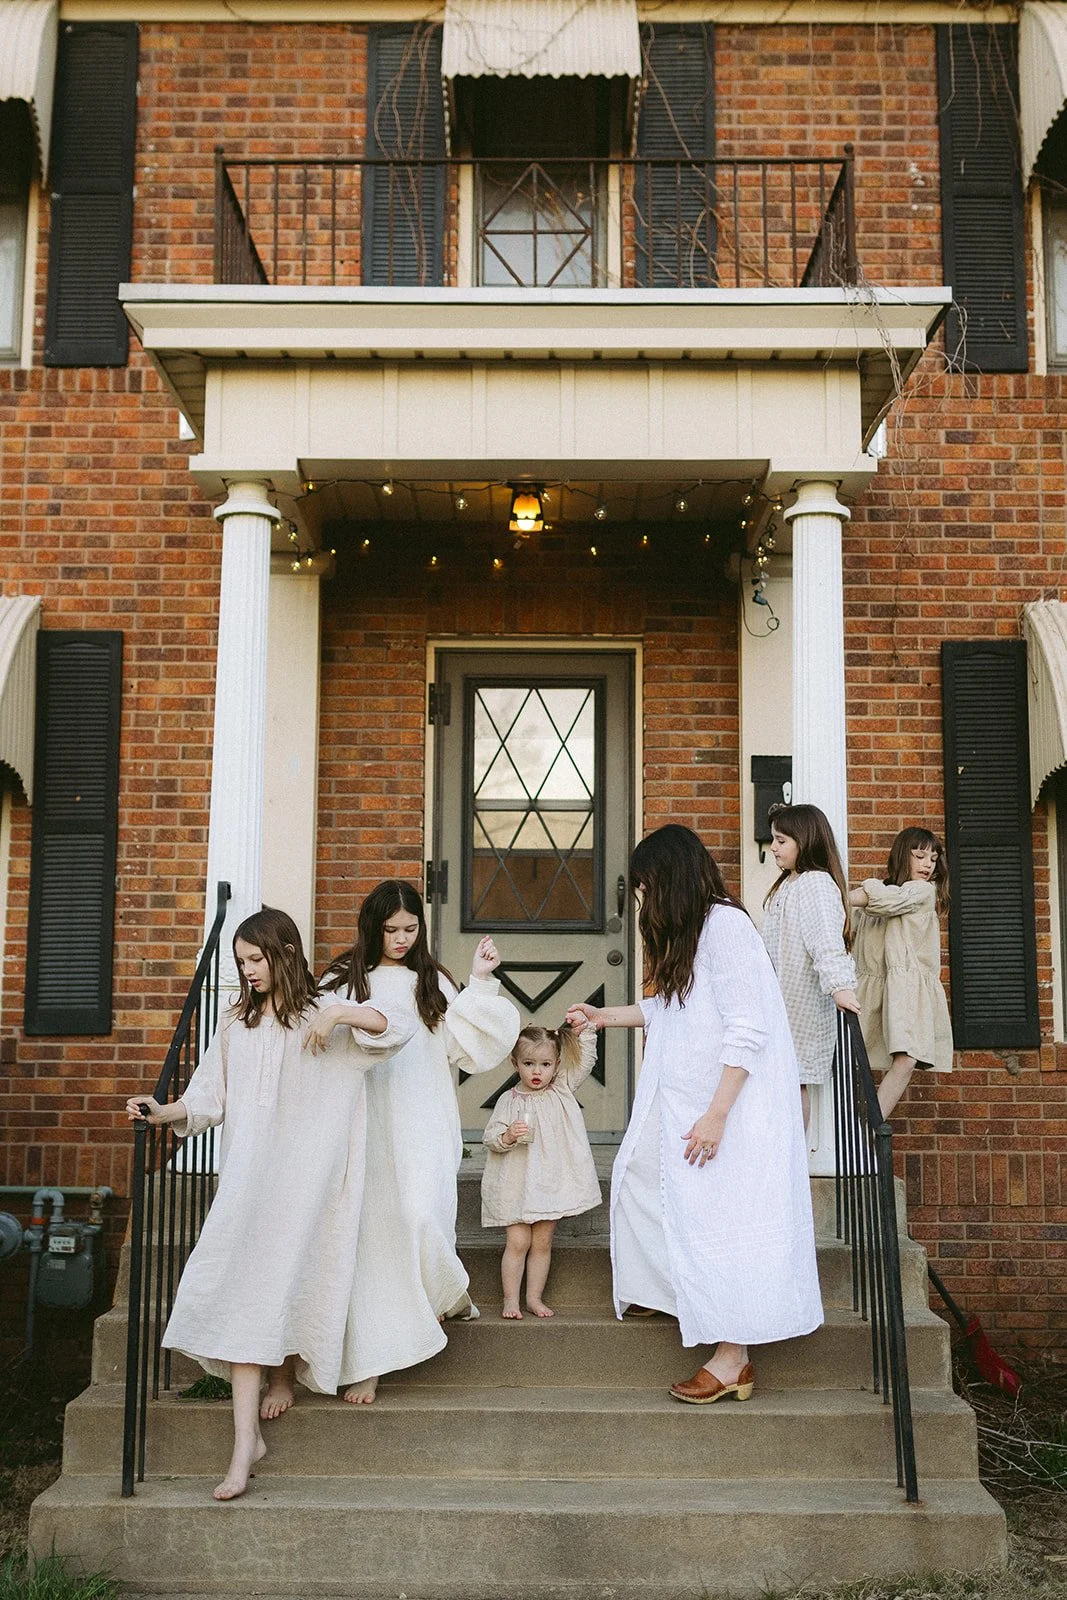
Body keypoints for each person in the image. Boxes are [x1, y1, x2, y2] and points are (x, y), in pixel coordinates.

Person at [124, 907, 414, 1501]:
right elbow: (208, 1096)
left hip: (307, 1187)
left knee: (272, 1297)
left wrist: (336, 1011)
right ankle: (244, 1444)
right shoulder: (236, 1023)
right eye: (239, 962)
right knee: (240, 1302)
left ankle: (246, 1444)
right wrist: (162, 1112)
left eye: (255, 959)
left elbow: (394, 1029)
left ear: (284, 951)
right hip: (249, 1186)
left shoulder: (322, 1016)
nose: (247, 971)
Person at [567, 824, 822, 1406]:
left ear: (671, 880)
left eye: (646, 887)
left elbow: (747, 1026)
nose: (642, 901)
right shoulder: (695, 931)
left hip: (729, 1107)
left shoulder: (727, 926)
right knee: (640, 1178)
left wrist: (717, 1115)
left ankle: (733, 1359)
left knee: (724, 1223)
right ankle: (678, 1291)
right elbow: (676, 1008)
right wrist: (604, 1017)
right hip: (692, 1099)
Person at [318, 881, 520, 1404]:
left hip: (423, 1116)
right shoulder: (343, 980)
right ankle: (373, 1358)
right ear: (372, 927)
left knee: (421, 1216)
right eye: (390, 930)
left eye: (410, 929)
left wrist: (480, 981)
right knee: (374, 1234)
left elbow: (469, 1045)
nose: (401, 939)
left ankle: (431, 1297)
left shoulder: (434, 981)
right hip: (366, 1116)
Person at [481, 1023, 601, 1320]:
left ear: (557, 1065)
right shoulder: (509, 1100)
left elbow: (586, 1059)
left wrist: (587, 1030)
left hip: (549, 1181)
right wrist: (507, 1136)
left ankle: (534, 1297)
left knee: (543, 1241)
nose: (537, 1072)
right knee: (518, 1241)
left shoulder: (561, 1088)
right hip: (516, 1183)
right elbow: (491, 1137)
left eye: (545, 1064)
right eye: (529, 1064)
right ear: (515, 1063)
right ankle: (511, 1299)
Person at [761, 803, 860, 1130]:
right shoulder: (789, 883)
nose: (773, 847)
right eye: (773, 839)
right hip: (781, 1000)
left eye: (781, 840)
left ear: (806, 842)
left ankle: (795, 1162)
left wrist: (840, 987)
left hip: (800, 1003)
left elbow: (826, 940)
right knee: (780, 1082)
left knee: (792, 1082)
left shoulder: (815, 883)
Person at [850, 826, 953, 1119]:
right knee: (853, 1060)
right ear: (901, 855)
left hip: (907, 988)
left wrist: (836, 894)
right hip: (873, 987)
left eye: (933, 859)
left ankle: (870, 1128)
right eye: (920, 855)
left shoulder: (922, 891)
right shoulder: (880, 895)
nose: (927, 864)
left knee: (906, 1059)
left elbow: (883, 901)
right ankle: (860, 1127)